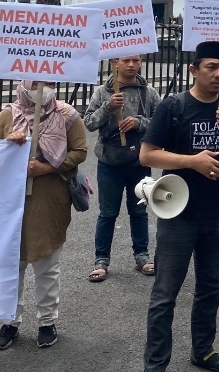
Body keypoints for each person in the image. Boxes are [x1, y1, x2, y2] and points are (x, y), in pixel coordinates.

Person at [140, 41, 219, 372]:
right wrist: (192, 162)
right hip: (178, 215)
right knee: (165, 294)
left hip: (218, 213)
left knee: (210, 289)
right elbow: (147, 154)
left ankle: (202, 351)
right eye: (211, 67)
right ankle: (156, 363)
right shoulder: (174, 106)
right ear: (194, 70)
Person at [0, 81, 87, 352]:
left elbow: (80, 151)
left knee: (47, 265)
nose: (43, 87)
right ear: (24, 84)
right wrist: (9, 146)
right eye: (36, 83)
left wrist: (46, 167)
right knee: (12, 266)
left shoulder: (66, 115)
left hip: (49, 201)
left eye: (49, 83)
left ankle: (47, 322)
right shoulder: (9, 114)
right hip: (11, 203)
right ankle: (10, 321)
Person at [84, 55, 163, 282]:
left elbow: (161, 123)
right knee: (108, 213)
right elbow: (89, 123)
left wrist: (139, 122)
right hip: (110, 161)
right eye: (127, 60)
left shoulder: (149, 93)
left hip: (139, 160)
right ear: (116, 63)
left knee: (138, 210)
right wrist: (109, 107)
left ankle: (142, 256)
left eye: (136, 60)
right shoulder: (102, 92)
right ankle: (101, 260)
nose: (131, 65)